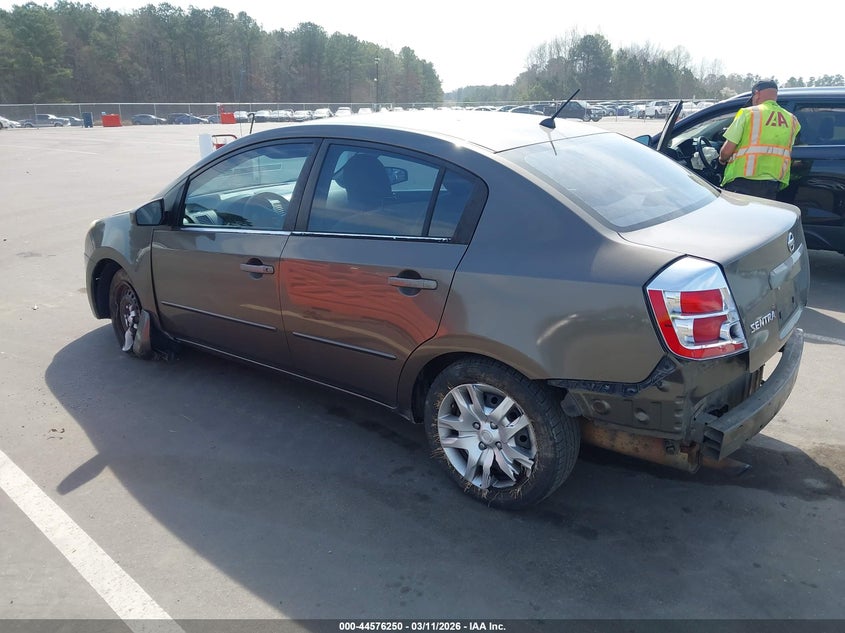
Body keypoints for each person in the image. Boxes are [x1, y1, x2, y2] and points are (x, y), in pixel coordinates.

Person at [718, 80, 801, 199]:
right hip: (773, 183)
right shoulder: (792, 120)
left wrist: (721, 159)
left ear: (756, 93)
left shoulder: (748, 113)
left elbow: (726, 152)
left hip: (743, 181)